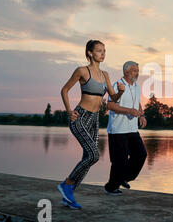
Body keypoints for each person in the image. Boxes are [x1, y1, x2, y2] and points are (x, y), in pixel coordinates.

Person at [58, 40, 125, 209]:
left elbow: (113, 98)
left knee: (87, 158)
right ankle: (66, 184)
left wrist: (121, 92)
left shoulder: (105, 75)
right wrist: (68, 111)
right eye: (99, 51)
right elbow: (64, 90)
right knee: (94, 155)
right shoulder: (82, 71)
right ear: (89, 53)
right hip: (80, 117)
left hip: (94, 120)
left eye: (104, 51)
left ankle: (68, 195)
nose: (103, 54)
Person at [103, 61, 147, 195]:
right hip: (118, 130)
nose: (137, 73)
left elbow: (137, 102)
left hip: (133, 129)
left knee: (140, 155)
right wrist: (129, 111)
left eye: (138, 70)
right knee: (119, 160)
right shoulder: (118, 85)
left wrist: (141, 115)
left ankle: (124, 177)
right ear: (126, 72)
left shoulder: (136, 86)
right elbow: (110, 105)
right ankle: (111, 187)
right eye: (134, 70)